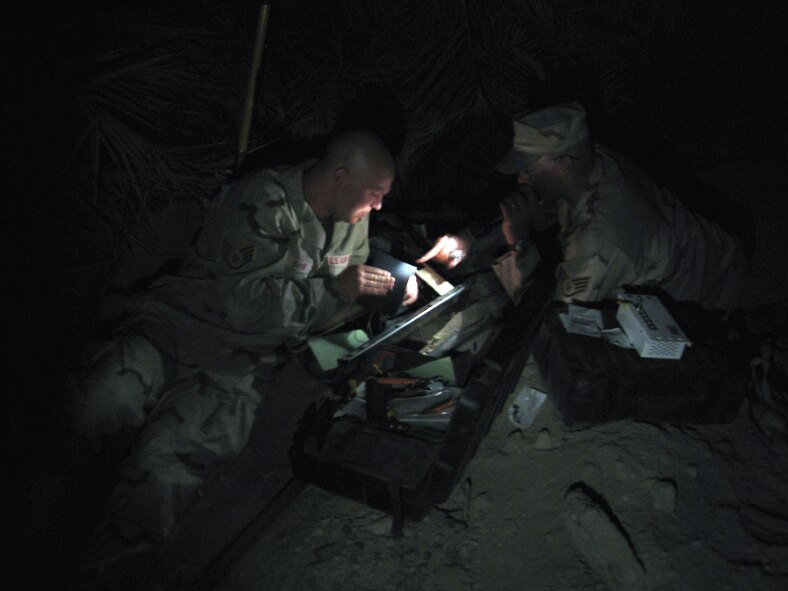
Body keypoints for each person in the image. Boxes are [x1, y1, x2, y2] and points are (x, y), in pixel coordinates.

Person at [61, 128, 417, 585]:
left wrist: (384, 293)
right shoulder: (263, 200)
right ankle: (63, 478)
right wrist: (336, 291)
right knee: (104, 397)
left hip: (241, 357)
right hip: (177, 325)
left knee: (173, 461)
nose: (380, 206)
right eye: (375, 194)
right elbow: (248, 306)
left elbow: (329, 305)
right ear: (341, 177)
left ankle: (110, 566)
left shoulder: (354, 219)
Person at [419, 102, 746, 313]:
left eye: (528, 167)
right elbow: (530, 205)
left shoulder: (600, 241)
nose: (520, 177)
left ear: (561, 162)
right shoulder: (592, 161)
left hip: (706, 294)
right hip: (711, 248)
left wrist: (519, 244)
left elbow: (552, 325)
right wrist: (467, 239)